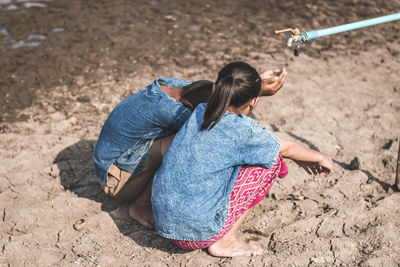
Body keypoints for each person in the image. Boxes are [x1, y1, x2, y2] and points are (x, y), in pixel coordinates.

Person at [151, 62, 333, 257]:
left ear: (215, 88)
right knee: (271, 164)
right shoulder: (245, 132)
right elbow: (287, 148)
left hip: (161, 220)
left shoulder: (200, 111)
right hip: (194, 234)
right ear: (254, 101)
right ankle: (225, 241)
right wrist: (320, 157)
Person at [92, 72, 287, 229]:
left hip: (114, 159)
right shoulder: (173, 110)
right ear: (188, 106)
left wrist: (252, 88)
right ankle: (140, 206)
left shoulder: (175, 86)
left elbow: (224, 93)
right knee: (184, 142)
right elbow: (224, 133)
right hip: (115, 179)